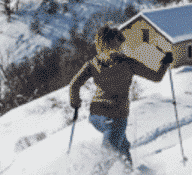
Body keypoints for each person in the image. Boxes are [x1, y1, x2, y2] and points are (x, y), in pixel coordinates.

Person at [69, 26, 172, 167]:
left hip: (96, 116)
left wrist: (75, 103)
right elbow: (156, 77)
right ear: (116, 43)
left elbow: (74, 84)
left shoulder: (93, 63)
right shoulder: (127, 62)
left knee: (123, 147)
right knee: (106, 161)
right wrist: (165, 62)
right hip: (115, 116)